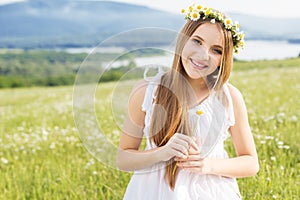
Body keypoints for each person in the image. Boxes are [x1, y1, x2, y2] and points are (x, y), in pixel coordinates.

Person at [116, 3, 259, 200]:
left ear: (224, 59)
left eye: (216, 50)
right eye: (197, 42)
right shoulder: (147, 91)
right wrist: (162, 153)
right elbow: (123, 158)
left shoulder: (229, 97)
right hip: (153, 192)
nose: (203, 55)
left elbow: (251, 163)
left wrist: (208, 164)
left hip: (209, 191)